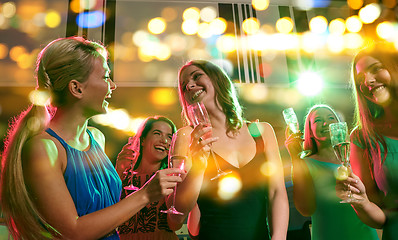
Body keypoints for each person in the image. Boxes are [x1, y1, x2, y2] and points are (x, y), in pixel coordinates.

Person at [0, 37, 183, 240]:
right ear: (76, 88)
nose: (112, 86)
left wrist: (122, 173)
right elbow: (73, 232)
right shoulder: (43, 148)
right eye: (105, 77)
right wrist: (145, 195)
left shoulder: (96, 137)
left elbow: (105, 212)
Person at [166, 60, 289, 239]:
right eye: (184, 86)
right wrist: (199, 165)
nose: (190, 85)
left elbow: (277, 193)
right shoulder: (187, 136)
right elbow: (177, 215)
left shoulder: (263, 132)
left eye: (196, 76)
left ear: (218, 79)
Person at [285, 104, 379, 240]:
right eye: (317, 120)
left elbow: (375, 198)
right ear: (309, 130)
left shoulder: (357, 156)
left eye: (331, 118)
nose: (325, 123)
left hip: (364, 234)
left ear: (339, 125)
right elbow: (306, 210)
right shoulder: (305, 163)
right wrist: (295, 157)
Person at [335, 42, 398, 240]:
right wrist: (361, 202)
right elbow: (381, 218)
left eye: (376, 69)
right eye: (360, 78)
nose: (367, 81)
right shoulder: (362, 137)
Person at [115, 116, 179, 240]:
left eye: (169, 137)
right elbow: (105, 211)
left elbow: (176, 223)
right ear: (142, 140)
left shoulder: (171, 178)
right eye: (157, 133)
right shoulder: (124, 177)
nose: (164, 141)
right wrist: (118, 170)